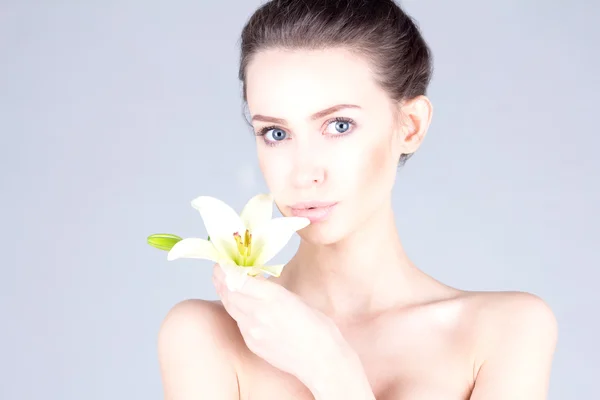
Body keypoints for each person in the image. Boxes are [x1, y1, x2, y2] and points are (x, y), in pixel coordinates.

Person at [157, 0, 558, 399]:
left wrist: (331, 370)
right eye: (276, 133)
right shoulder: (207, 336)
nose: (303, 172)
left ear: (411, 126)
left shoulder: (505, 332)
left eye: (339, 125)